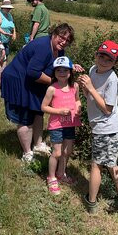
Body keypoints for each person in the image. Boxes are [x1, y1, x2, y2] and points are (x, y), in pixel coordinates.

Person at [1, 23, 84, 163]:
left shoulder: (59, 50)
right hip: (19, 81)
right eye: (61, 37)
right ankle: (27, 153)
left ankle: (38, 144)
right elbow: (33, 72)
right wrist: (54, 81)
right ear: (54, 34)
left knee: (38, 112)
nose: (63, 42)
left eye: (67, 41)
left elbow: (58, 65)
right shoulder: (43, 47)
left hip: (33, 82)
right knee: (25, 117)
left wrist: (71, 66)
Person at [79, 40, 118, 213]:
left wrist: (91, 88)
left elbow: (107, 109)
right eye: (101, 56)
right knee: (111, 163)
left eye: (109, 59)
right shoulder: (93, 69)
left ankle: (91, 202)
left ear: (115, 63)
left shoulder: (112, 80)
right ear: (96, 55)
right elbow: (89, 96)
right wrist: (84, 87)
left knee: (96, 165)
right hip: (102, 127)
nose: (103, 61)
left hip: (107, 128)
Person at [41, 56, 81, 195]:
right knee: (57, 152)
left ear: (70, 72)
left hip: (70, 123)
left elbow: (77, 100)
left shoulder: (74, 86)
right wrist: (58, 111)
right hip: (56, 124)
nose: (62, 72)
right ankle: (51, 177)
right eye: (59, 70)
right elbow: (44, 107)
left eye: (65, 70)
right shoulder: (52, 89)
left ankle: (61, 173)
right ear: (54, 72)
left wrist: (78, 107)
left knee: (67, 151)